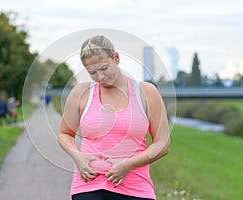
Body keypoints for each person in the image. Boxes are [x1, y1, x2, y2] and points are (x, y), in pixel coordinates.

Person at [58, 35, 170, 200]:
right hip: (88, 187)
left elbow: (163, 144)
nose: (100, 77)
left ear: (116, 57)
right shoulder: (80, 94)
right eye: (92, 72)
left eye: (104, 68)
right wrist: (78, 157)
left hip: (135, 188)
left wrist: (127, 165)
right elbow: (65, 134)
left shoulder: (146, 93)